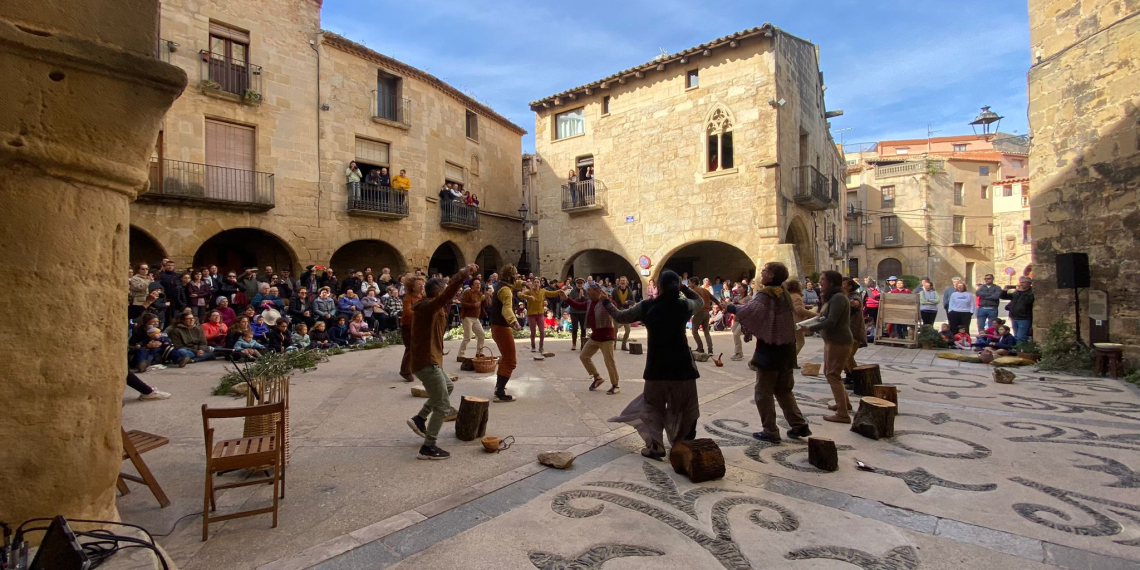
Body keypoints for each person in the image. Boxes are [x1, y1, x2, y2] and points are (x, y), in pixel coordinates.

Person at [606, 271, 703, 459]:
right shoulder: (684, 305)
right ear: (677, 286)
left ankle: (656, 445)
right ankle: (684, 445)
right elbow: (699, 300)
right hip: (683, 368)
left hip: (656, 367)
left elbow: (619, 317)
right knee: (686, 407)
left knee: (653, 407)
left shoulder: (647, 306)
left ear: (658, 287)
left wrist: (605, 301)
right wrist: (684, 288)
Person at [723, 262, 810, 442]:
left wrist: (731, 307)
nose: (762, 273)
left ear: (771, 276)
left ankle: (770, 430)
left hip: (770, 348)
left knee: (763, 392)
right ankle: (799, 425)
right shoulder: (784, 292)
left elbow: (752, 311)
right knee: (784, 390)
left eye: (764, 270)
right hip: (787, 346)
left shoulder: (766, 293)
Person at [406, 264, 477, 460]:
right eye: (443, 289)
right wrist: (462, 275)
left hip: (431, 360)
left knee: (448, 386)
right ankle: (428, 447)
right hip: (426, 362)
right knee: (443, 405)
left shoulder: (432, 307)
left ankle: (420, 419)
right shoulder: (428, 307)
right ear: (437, 293)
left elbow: (446, 294)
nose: (447, 292)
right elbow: (446, 296)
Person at [803, 271, 853, 424]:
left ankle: (843, 414)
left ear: (831, 282)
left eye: (823, 279)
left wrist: (810, 329)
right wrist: (815, 320)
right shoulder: (833, 297)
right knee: (829, 372)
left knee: (833, 375)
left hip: (839, 341)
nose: (820, 282)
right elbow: (826, 317)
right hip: (831, 341)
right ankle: (844, 404)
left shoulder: (838, 298)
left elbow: (832, 321)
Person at [563, 282, 621, 395]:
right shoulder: (590, 302)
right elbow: (578, 306)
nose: (587, 292)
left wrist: (607, 300)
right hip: (595, 336)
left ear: (596, 290)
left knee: (609, 361)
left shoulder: (605, 300)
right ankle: (597, 378)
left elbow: (614, 307)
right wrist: (566, 298)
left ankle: (615, 385)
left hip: (607, 337)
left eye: (589, 290)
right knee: (584, 356)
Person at [490, 265, 525, 402]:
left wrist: (524, 283)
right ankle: (500, 393)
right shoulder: (506, 291)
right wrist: (514, 321)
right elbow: (507, 309)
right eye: (516, 274)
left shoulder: (502, 284)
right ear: (511, 276)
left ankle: (499, 388)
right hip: (501, 328)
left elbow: (516, 283)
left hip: (497, 327)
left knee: (505, 358)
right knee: (510, 361)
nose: (517, 276)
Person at [518, 279, 561, 357]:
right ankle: (533, 346)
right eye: (535, 282)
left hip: (540, 314)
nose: (536, 283)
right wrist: (527, 296)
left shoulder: (543, 291)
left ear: (540, 284)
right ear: (533, 283)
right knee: (533, 331)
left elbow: (552, 294)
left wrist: (560, 291)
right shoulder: (529, 291)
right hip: (531, 314)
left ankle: (541, 347)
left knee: (542, 331)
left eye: (538, 282)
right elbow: (519, 294)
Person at [399, 275, 426, 382]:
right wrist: (421, 314)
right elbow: (407, 312)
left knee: (418, 348)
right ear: (412, 287)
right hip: (408, 325)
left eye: (422, 284)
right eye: (419, 284)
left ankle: (415, 368)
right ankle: (405, 371)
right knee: (410, 348)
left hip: (419, 326)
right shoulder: (408, 298)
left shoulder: (422, 297)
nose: (422, 286)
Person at [783, 280, 816, 359]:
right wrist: (814, 314)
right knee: (800, 342)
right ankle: (789, 359)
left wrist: (806, 307)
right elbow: (799, 310)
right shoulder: (796, 296)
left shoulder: (790, 295)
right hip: (796, 322)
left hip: (790, 321)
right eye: (799, 285)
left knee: (794, 342)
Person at [842, 278, 867, 379]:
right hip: (846, 331)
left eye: (843, 284)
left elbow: (856, 303)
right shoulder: (845, 295)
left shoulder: (854, 296)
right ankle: (849, 376)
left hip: (854, 331)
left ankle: (857, 378)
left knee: (848, 357)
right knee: (843, 357)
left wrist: (848, 302)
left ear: (850, 286)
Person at [458, 277, 487, 359]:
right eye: (476, 284)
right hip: (467, 317)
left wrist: (486, 297)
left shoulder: (479, 293)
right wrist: (473, 305)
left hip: (475, 318)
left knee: (481, 334)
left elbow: (485, 304)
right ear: (472, 285)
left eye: (479, 284)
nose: (478, 285)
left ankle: (479, 353)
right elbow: (462, 303)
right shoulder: (467, 292)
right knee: (468, 337)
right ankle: (460, 355)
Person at [688, 278, 718, 355]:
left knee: (694, 331)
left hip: (699, 312)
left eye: (690, 283)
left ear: (694, 283)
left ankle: (700, 348)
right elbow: (714, 299)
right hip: (707, 312)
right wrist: (720, 306)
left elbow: (689, 301)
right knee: (706, 331)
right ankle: (710, 350)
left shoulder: (694, 291)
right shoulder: (705, 290)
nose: (689, 285)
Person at [1002, 276, 1035, 342]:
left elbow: (1028, 301)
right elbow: (1004, 297)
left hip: (1024, 318)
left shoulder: (1031, 292)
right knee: (1016, 336)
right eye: (1020, 282)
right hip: (1014, 317)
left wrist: (1021, 292)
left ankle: (1021, 350)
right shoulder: (1017, 292)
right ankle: (1017, 350)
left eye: (1023, 282)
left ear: (1029, 283)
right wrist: (1004, 291)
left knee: (1021, 337)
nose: (1021, 284)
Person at [729, 280, 755, 361]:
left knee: (736, 334)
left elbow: (750, 307)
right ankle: (738, 352)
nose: (738, 289)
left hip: (745, 320)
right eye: (738, 287)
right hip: (737, 319)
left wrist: (739, 303)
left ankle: (739, 353)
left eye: (740, 287)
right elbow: (733, 307)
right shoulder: (737, 297)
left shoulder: (749, 298)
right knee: (734, 334)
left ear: (744, 289)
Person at [612, 277, 637, 351]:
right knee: (615, 330)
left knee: (628, 330)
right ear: (619, 282)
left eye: (624, 281)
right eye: (621, 281)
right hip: (617, 311)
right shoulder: (615, 290)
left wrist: (628, 302)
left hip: (626, 312)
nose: (622, 282)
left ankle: (623, 345)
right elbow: (611, 299)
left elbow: (633, 301)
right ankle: (614, 345)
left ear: (626, 282)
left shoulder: (629, 290)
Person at [564, 278, 589, 350]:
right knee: (575, 328)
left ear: (583, 284)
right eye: (578, 283)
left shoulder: (586, 291)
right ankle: (574, 344)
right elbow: (571, 301)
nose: (579, 285)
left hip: (583, 312)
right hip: (574, 312)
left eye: (581, 283)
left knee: (583, 328)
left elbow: (588, 300)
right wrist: (579, 298)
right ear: (576, 284)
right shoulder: (572, 292)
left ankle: (583, 344)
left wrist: (583, 297)